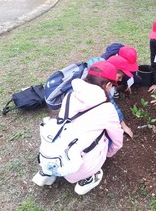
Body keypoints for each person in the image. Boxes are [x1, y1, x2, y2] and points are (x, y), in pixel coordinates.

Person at [32, 60, 124, 194]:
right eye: (112, 86)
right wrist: (108, 154)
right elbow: (117, 141)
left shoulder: (70, 95)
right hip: (78, 167)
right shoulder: (107, 109)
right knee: (107, 138)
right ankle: (87, 179)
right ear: (108, 85)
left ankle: (49, 172)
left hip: (52, 154)